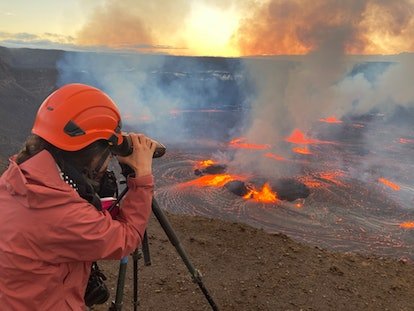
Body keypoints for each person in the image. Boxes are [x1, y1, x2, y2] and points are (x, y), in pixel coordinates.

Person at [0, 83, 157, 310]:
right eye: (108, 152)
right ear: (92, 155)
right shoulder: (64, 214)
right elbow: (128, 237)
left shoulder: (18, 177)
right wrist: (141, 178)